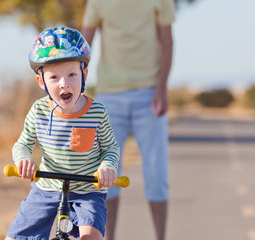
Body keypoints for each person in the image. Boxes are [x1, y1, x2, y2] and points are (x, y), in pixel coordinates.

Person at [5, 26, 120, 240]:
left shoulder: (97, 112)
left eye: (72, 75)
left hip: (88, 190)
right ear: (42, 81)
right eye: (54, 77)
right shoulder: (38, 110)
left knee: (90, 237)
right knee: (15, 237)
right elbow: (22, 144)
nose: (64, 83)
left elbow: (110, 147)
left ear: (84, 75)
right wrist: (23, 160)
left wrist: (107, 167)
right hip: (46, 188)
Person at [81, 0, 175, 239]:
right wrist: (76, 91)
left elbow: (168, 42)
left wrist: (162, 89)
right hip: (109, 97)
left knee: (157, 174)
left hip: (149, 94)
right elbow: (84, 45)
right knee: (106, 173)